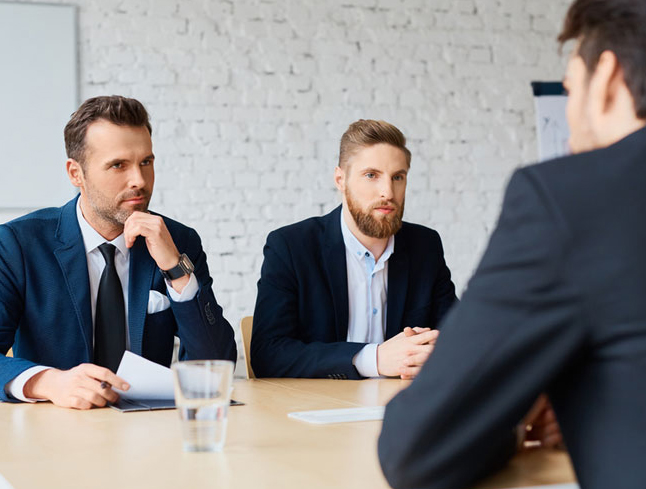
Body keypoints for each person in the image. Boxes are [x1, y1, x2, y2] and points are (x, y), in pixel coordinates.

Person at [378, 0, 646, 489]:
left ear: (606, 77)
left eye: (570, 90)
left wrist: (511, 405)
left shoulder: (574, 197)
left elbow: (419, 448)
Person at [0, 96, 236, 409]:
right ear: (76, 174)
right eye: (118, 165)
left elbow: (216, 366)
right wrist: (50, 382)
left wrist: (175, 269)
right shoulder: (19, 244)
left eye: (146, 163)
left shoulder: (178, 242)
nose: (139, 181)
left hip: (150, 433)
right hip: (57, 431)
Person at [251, 119, 457, 379]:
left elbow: (458, 341)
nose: (388, 192)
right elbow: (268, 355)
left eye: (398, 177)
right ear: (341, 179)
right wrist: (374, 359)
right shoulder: (291, 246)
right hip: (318, 410)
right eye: (371, 175)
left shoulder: (425, 247)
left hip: (401, 408)